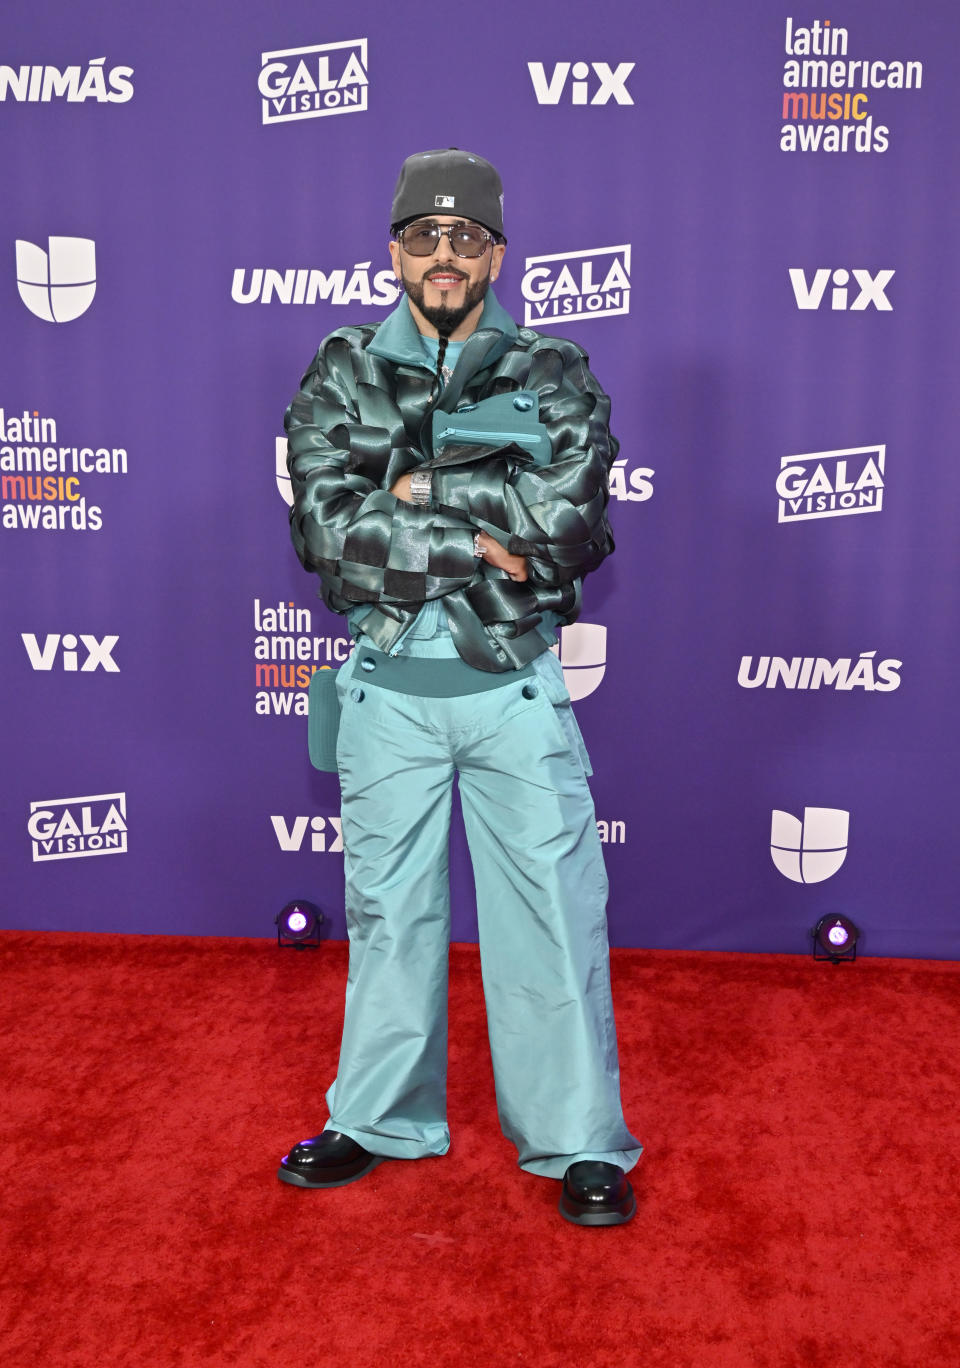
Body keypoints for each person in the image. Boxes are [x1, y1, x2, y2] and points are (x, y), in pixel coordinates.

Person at [279, 148, 640, 1225]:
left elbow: (569, 525)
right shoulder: (343, 368)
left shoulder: (553, 370)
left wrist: (415, 487)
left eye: (467, 237)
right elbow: (331, 535)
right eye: (425, 236)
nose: (446, 255)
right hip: (389, 692)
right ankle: (377, 1117)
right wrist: (487, 532)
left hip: (513, 692)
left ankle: (580, 1141)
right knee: (390, 912)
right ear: (395, 250)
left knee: (554, 915)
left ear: (495, 253)